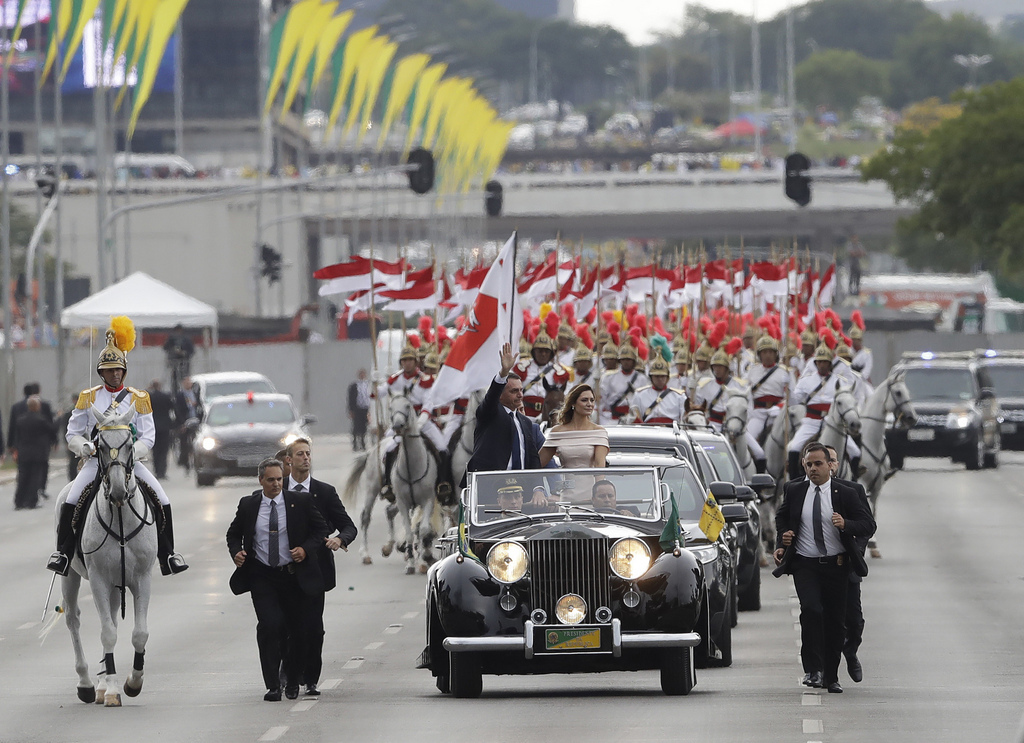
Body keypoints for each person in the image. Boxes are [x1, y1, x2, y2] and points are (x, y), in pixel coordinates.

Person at [46, 317, 189, 577]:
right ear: (101, 373)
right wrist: (86, 447)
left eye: (118, 370)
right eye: (109, 370)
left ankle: (168, 554)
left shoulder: (139, 398)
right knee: (71, 498)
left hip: (130, 461)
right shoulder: (88, 397)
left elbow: (148, 436)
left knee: (162, 499)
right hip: (95, 461)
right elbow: (72, 433)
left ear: (124, 371)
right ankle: (63, 553)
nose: (114, 374)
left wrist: (133, 453)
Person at [772, 442, 875, 694]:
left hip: (837, 565)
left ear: (830, 465)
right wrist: (782, 540)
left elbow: (867, 525)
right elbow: (782, 517)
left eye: (818, 464)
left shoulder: (847, 492)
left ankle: (832, 676)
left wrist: (845, 524)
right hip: (805, 564)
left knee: (835, 621)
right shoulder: (795, 490)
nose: (813, 469)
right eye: (808, 464)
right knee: (811, 610)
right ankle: (813, 670)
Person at [226, 458, 330, 701]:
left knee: (297, 631)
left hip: (293, 576)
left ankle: (292, 680)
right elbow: (233, 534)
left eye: (279, 479)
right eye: (270, 480)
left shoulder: (300, 502)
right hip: (262, 576)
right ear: (260, 480)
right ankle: (273, 684)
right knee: (270, 626)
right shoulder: (249, 504)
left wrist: (305, 549)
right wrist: (236, 552)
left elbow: (320, 530)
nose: (275, 484)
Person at [285, 438, 357, 696]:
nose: (306, 458)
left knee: (313, 627)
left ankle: (310, 677)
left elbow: (348, 525)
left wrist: (340, 539)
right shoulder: (277, 487)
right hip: (284, 570)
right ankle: (288, 674)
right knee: (288, 626)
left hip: (315, 569)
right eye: (300, 454)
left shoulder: (324, 492)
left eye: (308, 453)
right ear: (288, 460)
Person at [823, 445, 873, 685]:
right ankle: (821, 668)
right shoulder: (803, 491)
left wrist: (856, 549)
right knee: (819, 616)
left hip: (847, 565)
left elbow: (866, 526)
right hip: (819, 567)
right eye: (826, 460)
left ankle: (850, 651)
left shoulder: (852, 490)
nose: (830, 465)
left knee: (854, 620)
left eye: (833, 460)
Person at [466, 342, 542, 480]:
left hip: (521, 489)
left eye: (521, 390)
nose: (520, 395)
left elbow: (533, 458)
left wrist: (538, 488)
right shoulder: (490, 413)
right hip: (492, 486)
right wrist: (503, 373)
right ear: (500, 394)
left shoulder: (525, 421)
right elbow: (491, 398)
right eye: (514, 391)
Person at [745, 335, 789, 473]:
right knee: (747, 438)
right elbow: (746, 393)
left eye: (770, 352)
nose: (767, 355)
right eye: (764, 352)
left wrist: (779, 407)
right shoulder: (752, 371)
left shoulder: (784, 372)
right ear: (759, 355)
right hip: (758, 413)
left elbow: (791, 397)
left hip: (777, 414)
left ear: (776, 354)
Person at [539, 384, 609, 468]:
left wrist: (599, 481)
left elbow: (599, 467)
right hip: (566, 480)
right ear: (573, 403)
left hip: (591, 481)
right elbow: (537, 464)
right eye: (584, 400)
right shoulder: (558, 432)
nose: (589, 404)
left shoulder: (599, 432)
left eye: (592, 400)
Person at [513, 330, 570, 423]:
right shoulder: (522, 367)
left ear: (551, 353)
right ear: (534, 352)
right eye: (540, 351)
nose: (543, 354)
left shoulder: (559, 371)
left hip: (548, 415)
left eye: (546, 351)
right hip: (524, 413)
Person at [12, 396, 56, 510]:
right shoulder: (41, 420)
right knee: (35, 478)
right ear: (37, 407)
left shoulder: (20, 420)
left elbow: (16, 437)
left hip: (24, 453)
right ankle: (31, 501)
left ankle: (19, 501)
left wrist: (16, 450)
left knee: (22, 477)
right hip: (38, 453)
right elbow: (52, 430)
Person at [598, 342, 648, 424]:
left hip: (635, 418)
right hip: (613, 418)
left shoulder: (642, 378)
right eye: (623, 360)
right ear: (619, 361)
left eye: (628, 360)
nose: (626, 362)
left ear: (633, 361)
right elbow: (602, 400)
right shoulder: (609, 377)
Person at [629, 357, 686, 425]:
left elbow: (684, 418)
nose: (660, 379)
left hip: (671, 431)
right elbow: (634, 417)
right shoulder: (639, 394)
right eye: (656, 376)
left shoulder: (679, 396)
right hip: (648, 431)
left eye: (662, 376)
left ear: (667, 378)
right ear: (651, 378)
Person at [147, 380, 176, 479]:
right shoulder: (166, 396)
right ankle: (162, 472)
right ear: (160, 386)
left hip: (153, 426)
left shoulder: (149, 397)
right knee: (164, 450)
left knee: (155, 450)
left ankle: (156, 471)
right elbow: (172, 407)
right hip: (165, 426)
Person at [174, 376, 199, 471]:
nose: (189, 384)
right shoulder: (180, 395)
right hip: (185, 421)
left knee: (195, 442)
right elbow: (178, 410)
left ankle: (195, 461)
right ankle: (185, 462)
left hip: (195, 420)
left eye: (190, 382)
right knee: (184, 443)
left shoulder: (195, 393)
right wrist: (182, 423)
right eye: (186, 382)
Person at [163, 323, 195, 390]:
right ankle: (175, 391)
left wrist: (183, 353)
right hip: (174, 362)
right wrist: (173, 350)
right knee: (174, 379)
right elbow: (165, 347)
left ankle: (185, 390)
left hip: (184, 362)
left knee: (184, 377)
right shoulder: (171, 338)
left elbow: (191, 351)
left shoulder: (186, 339)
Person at [347, 368, 371, 452]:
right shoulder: (354, 386)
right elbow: (350, 399)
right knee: (356, 426)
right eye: (361, 374)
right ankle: (354, 444)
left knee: (364, 427)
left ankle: (363, 443)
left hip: (365, 408)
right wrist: (351, 410)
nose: (362, 376)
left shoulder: (368, 385)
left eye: (363, 374)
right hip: (357, 409)